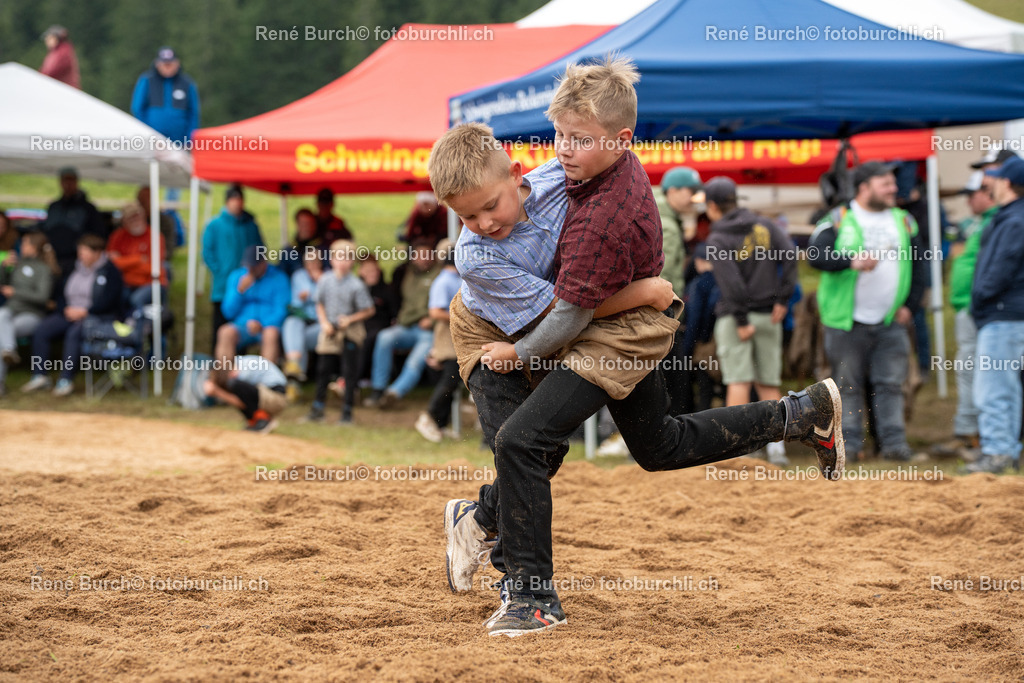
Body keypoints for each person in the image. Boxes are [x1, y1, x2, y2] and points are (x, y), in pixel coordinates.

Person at [429, 61, 844, 638]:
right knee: (526, 447)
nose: (480, 223)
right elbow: (558, 317)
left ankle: (799, 415)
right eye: (464, 216)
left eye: (489, 208)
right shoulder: (479, 250)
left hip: (584, 320)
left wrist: (636, 295)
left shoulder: (565, 183)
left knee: (653, 443)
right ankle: (527, 592)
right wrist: (644, 292)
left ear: (519, 177)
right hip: (495, 332)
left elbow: (571, 310)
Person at [808, 161, 925, 462]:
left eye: (892, 183)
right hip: (845, 321)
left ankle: (894, 446)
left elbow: (920, 264)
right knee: (847, 386)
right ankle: (852, 447)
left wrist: (910, 306)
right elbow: (815, 256)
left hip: (890, 321)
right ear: (864, 187)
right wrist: (850, 261)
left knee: (891, 384)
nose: (893, 188)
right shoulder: (838, 217)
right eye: (885, 183)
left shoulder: (904, 220)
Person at [704, 176, 798, 466]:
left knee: (738, 381)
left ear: (712, 206)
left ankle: (740, 448)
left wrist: (742, 319)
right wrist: (782, 299)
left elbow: (731, 283)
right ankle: (777, 450)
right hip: (769, 315)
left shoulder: (718, 237)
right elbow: (791, 255)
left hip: (736, 318)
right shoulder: (765, 225)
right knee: (769, 381)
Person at [962, 155, 1024, 473]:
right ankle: (1006, 451)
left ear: (1008, 183)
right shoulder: (1009, 217)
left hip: (1003, 316)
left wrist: (981, 298)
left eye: (997, 178)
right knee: (1007, 388)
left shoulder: (1013, 221)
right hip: (1007, 316)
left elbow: (1002, 268)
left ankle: (998, 451)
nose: (991, 182)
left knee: (993, 388)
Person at [933, 169, 1000, 457]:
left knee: (980, 371)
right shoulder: (981, 222)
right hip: (970, 307)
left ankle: (981, 436)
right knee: (969, 369)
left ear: (990, 191)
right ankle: (970, 432)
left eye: (972, 195)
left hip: (982, 309)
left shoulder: (999, 221)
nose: (969, 201)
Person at [22, 234, 122, 397]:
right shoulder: (72, 268)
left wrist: (86, 312)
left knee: (74, 334)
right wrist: (65, 309)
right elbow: (60, 294)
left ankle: (65, 380)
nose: (81, 255)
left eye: (85, 251)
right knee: (42, 329)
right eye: (80, 251)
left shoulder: (110, 272)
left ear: (97, 253)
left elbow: (110, 300)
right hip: (69, 313)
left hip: (95, 316)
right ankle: (40, 376)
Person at [365, 237, 439, 409]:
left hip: (428, 330)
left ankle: (394, 393)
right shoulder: (405, 273)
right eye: (420, 255)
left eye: (427, 254)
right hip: (405, 327)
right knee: (384, 338)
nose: (424, 258)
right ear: (412, 257)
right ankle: (378, 389)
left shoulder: (440, 274)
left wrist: (432, 320)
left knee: (416, 359)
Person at [307, 240, 375, 424]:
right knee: (323, 368)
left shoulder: (356, 285)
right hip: (330, 329)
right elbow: (319, 303)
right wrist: (323, 323)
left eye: (347, 258)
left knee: (349, 370)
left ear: (353, 261)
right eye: (339, 257)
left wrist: (350, 319)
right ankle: (318, 407)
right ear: (331, 259)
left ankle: (347, 411)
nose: (343, 261)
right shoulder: (325, 280)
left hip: (350, 330)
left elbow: (369, 309)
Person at [202, 185, 264, 353]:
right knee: (221, 325)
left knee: (240, 325)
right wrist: (219, 271)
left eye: (240, 200)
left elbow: (260, 249)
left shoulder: (250, 225)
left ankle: (238, 366)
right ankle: (218, 366)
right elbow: (207, 252)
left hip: (247, 283)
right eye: (234, 200)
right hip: (223, 285)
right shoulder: (215, 225)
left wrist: (254, 273)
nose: (238, 204)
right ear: (227, 202)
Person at [0, 232, 59, 396]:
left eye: (25, 244)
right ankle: (9, 350)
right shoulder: (18, 265)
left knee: (1, 332)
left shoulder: (43, 269)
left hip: (31, 315)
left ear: (34, 247)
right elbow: (3, 284)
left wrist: (16, 292)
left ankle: (0, 381)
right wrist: (3, 268)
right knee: (2, 314)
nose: (21, 247)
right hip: (11, 313)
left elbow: (42, 297)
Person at [415, 240, 461, 443]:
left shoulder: (456, 278)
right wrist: (463, 318)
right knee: (450, 380)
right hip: (447, 339)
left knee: (454, 381)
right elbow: (435, 311)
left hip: (457, 338)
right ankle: (429, 417)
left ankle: (440, 425)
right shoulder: (444, 281)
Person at [215, 246, 289, 366]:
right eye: (248, 265)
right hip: (243, 325)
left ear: (264, 262)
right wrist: (239, 292)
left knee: (271, 334)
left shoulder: (278, 278)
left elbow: (282, 309)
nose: (250, 269)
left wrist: (262, 323)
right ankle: (224, 376)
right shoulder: (237, 276)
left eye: (254, 265)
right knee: (225, 332)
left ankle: (266, 379)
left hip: (268, 325)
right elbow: (228, 312)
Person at [41, 167, 107, 279]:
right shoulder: (54, 207)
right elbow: (45, 229)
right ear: (61, 183)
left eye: (71, 180)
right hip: (52, 258)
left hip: (76, 260)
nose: (68, 184)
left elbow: (99, 235)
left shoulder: (87, 208)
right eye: (65, 180)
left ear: (77, 182)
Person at [131, 47, 200, 145]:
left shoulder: (187, 83)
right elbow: (138, 108)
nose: (167, 67)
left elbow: (193, 113)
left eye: (170, 64)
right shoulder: (147, 80)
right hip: (152, 140)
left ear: (177, 64)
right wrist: (145, 132)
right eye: (164, 64)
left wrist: (189, 139)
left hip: (179, 140)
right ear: (157, 64)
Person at [204, 356, 288, 433]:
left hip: (276, 398)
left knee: (235, 385)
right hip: (269, 394)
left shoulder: (243, 370)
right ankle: (255, 421)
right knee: (235, 387)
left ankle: (263, 420)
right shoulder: (237, 364)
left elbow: (242, 401)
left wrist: (218, 392)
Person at [107, 204, 168, 311]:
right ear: (124, 222)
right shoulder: (118, 236)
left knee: (135, 301)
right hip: (125, 282)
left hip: (150, 282)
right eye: (131, 219)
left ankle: (140, 326)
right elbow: (112, 264)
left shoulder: (155, 237)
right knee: (114, 298)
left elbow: (153, 269)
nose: (136, 222)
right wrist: (138, 259)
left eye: (138, 217)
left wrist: (124, 264)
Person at [281, 248, 324, 389]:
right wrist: (313, 294)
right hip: (303, 320)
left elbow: (326, 300)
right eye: (309, 262)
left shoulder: (327, 278)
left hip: (322, 323)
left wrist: (318, 284)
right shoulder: (298, 276)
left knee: (298, 340)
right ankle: (294, 367)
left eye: (315, 261)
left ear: (321, 262)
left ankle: (293, 384)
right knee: (291, 322)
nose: (312, 265)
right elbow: (296, 303)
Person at [357, 255, 397, 384]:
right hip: (360, 325)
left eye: (374, 270)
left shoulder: (387, 290)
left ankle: (356, 377)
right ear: (360, 271)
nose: (372, 274)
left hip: (380, 326)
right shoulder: (357, 288)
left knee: (369, 338)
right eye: (368, 270)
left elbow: (394, 314)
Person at [278, 208, 321, 277]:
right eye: (304, 224)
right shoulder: (288, 251)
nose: (307, 228)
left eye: (310, 224)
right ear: (297, 225)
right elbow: (281, 275)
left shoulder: (322, 248)